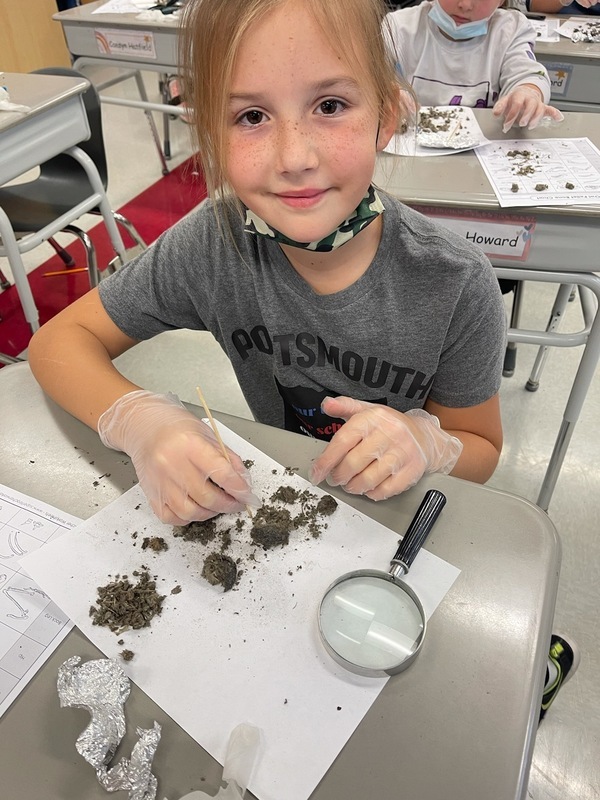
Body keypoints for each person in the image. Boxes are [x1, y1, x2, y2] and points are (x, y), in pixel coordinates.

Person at [28, 0, 576, 722]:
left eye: (330, 105)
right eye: (251, 116)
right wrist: (140, 420)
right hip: (282, 522)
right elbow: (58, 342)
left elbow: (480, 446)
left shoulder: (454, 283)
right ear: (210, 133)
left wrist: (428, 442)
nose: (294, 157)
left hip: (408, 525)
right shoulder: (214, 245)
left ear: (388, 114)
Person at [386, 0, 563, 133]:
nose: (465, 5)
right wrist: (381, 94)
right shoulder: (398, 27)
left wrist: (528, 92)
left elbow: (528, 74)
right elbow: (372, 78)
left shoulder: (511, 30)